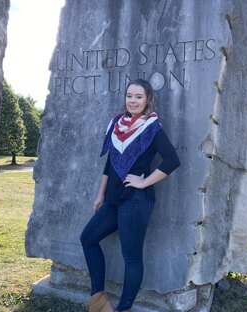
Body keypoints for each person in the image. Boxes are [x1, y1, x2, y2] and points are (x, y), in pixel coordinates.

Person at [80, 79, 180, 312]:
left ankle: (124, 308)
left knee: (131, 256)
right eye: (129, 96)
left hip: (135, 201)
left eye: (138, 97)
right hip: (113, 199)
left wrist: (144, 181)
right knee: (88, 239)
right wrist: (100, 194)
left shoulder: (151, 128)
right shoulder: (117, 124)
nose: (133, 101)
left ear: (147, 100)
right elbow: (110, 164)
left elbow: (172, 160)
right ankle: (98, 299)